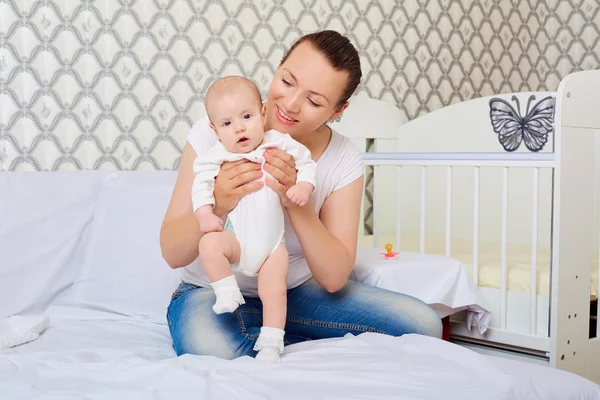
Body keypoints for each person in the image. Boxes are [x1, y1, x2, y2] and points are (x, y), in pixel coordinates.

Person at [161, 30, 443, 361]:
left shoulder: (343, 157)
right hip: (210, 290)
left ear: (338, 110)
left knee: (423, 325)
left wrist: (295, 199)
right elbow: (173, 252)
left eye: (313, 101)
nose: (290, 104)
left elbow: (334, 276)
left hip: (294, 291)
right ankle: (278, 334)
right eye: (287, 81)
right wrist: (219, 201)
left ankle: (270, 329)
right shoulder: (221, 128)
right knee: (210, 346)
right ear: (278, 67)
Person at [191, 75, 317, 362]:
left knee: (274, 292)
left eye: (246, 116)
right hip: (237, 238)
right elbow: (199, 185)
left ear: (262, 112)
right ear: (215, 130)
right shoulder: (218, 155)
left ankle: (271, 343)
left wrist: (303, 186)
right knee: (209, 245)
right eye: (227, 123)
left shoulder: (279, 143)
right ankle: (226, 292)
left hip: (273, 246)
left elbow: (307, 163)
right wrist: (204, 214)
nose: (239, 127)